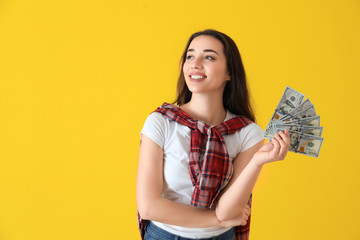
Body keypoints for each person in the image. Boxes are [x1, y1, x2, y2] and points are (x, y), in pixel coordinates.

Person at [136, 29, 290, 240]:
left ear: (229, 73)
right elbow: (148, 207)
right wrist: (216, 219)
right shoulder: (161, 122)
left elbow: (228, 211)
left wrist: (257, 162)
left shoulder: (247, 132)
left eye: (209, 56)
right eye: (190, 56)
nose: (195, 63)